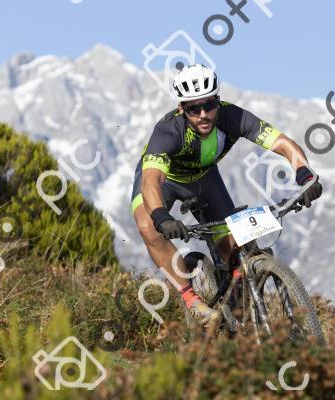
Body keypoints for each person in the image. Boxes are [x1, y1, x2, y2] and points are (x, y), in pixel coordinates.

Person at [130, 64, 322, 327]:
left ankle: (237, 302)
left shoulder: (233, 117)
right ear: (181, 108)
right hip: (166, 181)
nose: (203, 114)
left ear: (218, 101)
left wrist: (305, 174)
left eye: (209, 105)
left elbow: (283, 143)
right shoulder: (169, 131)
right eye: (193, 109)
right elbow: (151, 179)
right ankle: (191, 301)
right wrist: (161, 216)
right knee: (148, 227)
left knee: (233, 244)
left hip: (203, 178)